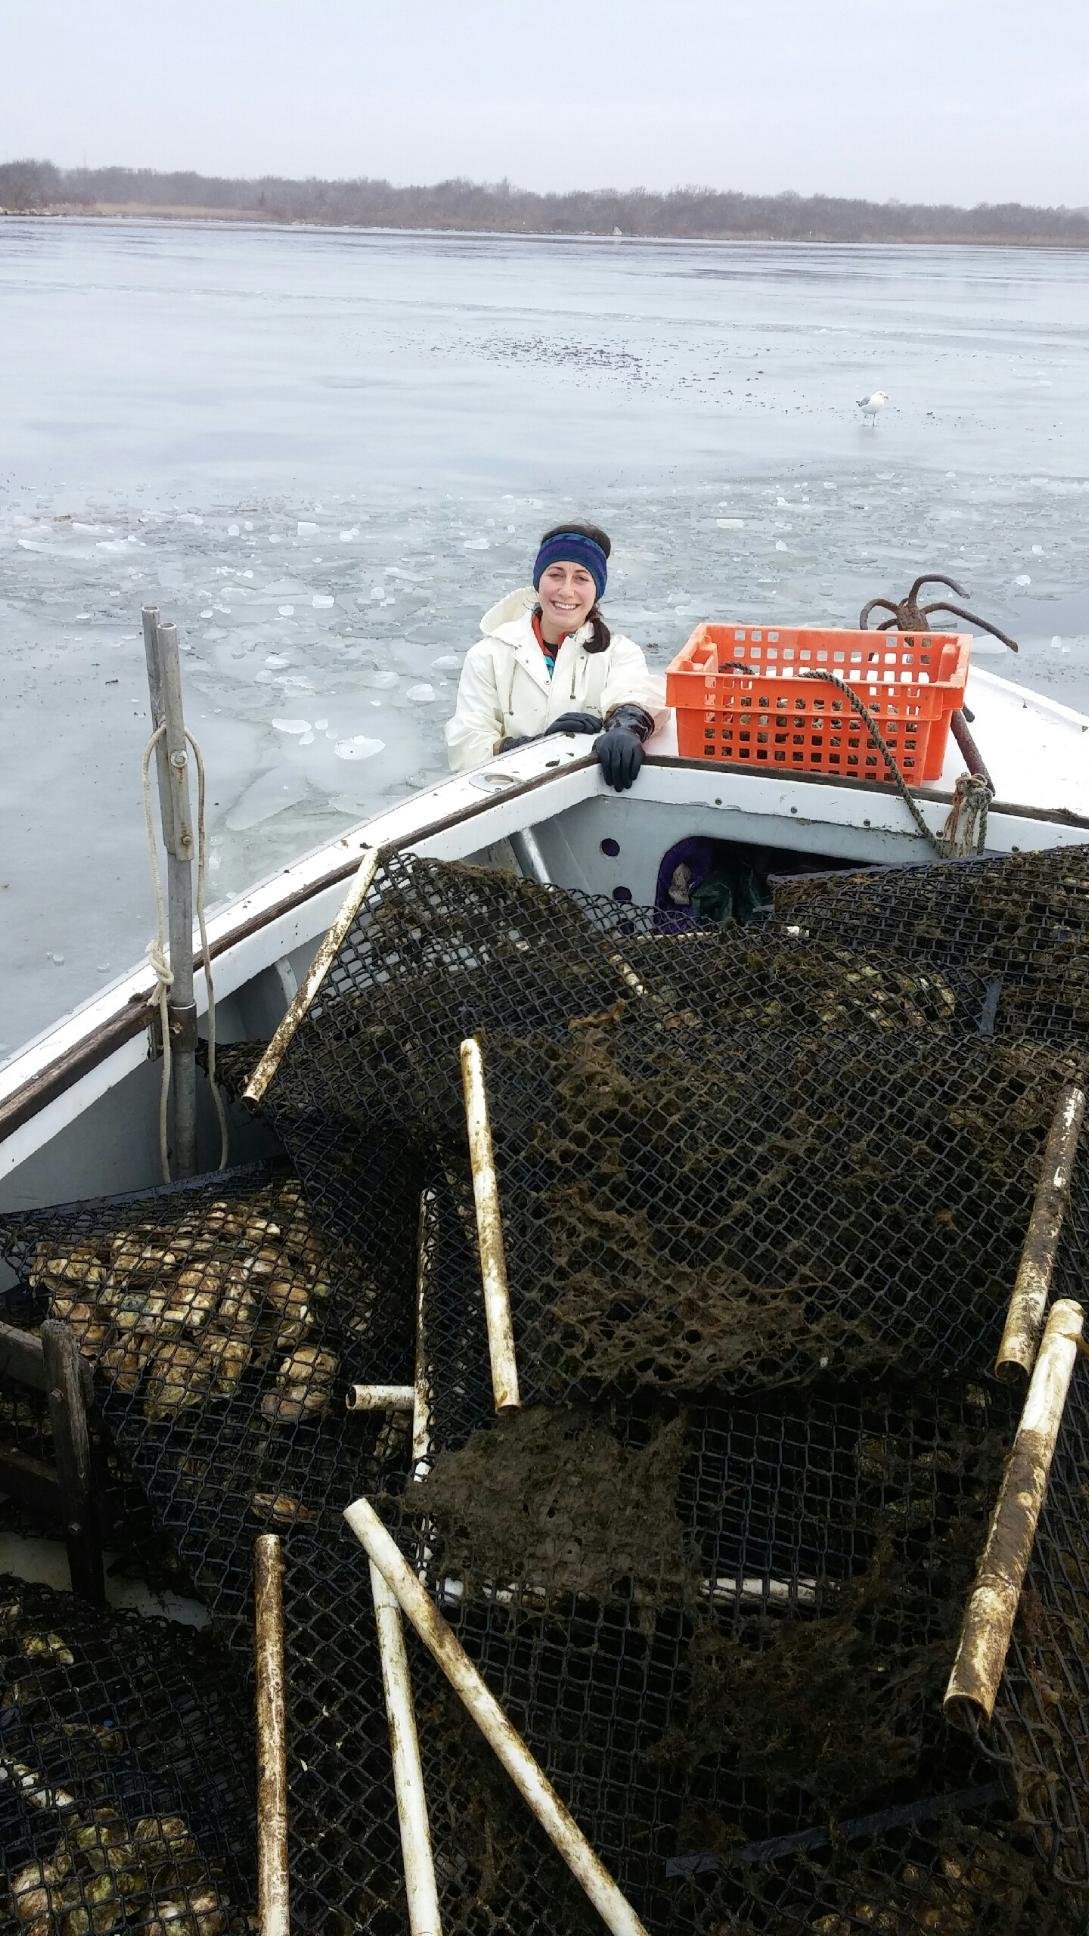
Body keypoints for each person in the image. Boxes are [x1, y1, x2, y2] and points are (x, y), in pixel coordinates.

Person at [445, 521, 664, 791]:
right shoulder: (489, 655)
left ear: (597, 591)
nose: (566, 591)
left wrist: (626, 729)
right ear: (538, 581)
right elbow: (467, 745)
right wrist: (538, 745)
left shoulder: (619, 652)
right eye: (556, 574)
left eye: (581, 578)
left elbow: (636, 693)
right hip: (510, 800)